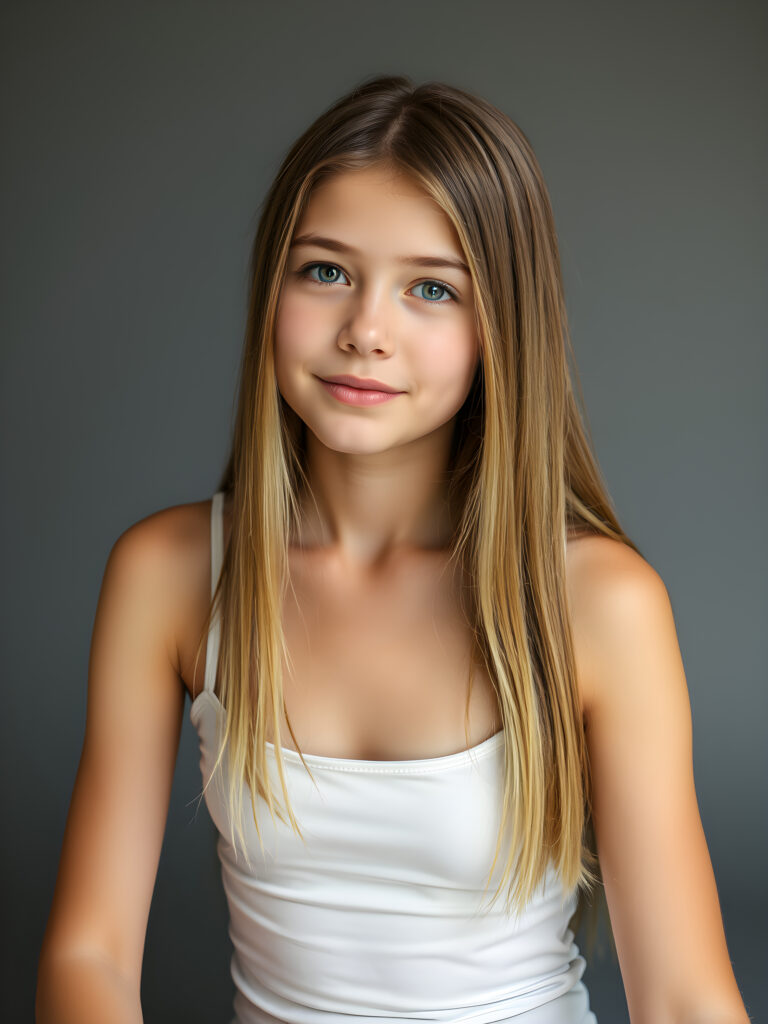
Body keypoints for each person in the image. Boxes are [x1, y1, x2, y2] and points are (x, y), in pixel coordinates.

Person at [35, 75, 750, 1024]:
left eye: (432, 289)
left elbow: (686, 997)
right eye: (325, 271)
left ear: (501, 328)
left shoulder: (600, 602)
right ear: (271, 286)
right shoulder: (169, 575)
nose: (366, 331)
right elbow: (87, 954)